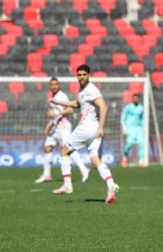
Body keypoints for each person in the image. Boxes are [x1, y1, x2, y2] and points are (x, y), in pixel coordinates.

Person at [49, 65, 120, 203]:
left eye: (84, 74)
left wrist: (101, 127)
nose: (81, 77)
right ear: (77, 76)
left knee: (64, 151)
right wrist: (59, 102)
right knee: (95, 161)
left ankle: (67, 185)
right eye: (79, 74)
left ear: (88, 75)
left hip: (86, 128)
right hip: (93, 131)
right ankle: (111, 186)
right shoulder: (83, 91)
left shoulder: (91, 89)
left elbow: (103, 107)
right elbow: (78, 103)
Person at [35, 77, 90, 184]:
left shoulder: (62, 96)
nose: (54, 86)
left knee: (68, 148)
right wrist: (49, 123)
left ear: (59, 85)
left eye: (56, 84)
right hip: (56, 126)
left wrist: (55, 114)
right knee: (47, 148)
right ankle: (47, 175)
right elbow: (56, 113)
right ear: (49, 86)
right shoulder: (53, 97)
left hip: (63, 127)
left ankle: (84, 169)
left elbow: (70, 110)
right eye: (52, 85)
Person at [121, 93, 146, 168]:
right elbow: (124, 117)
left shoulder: (141, 108)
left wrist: (143, 127)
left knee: (141, 144)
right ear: (132, 99)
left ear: (138, 99)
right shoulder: (128, 107)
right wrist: (124, 126)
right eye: (134, 98)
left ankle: (141, 161)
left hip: (138, 128)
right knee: (129, 144)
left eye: (136, 98)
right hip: (130, 128)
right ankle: (124, 158)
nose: (135, 99)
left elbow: (142, 118)